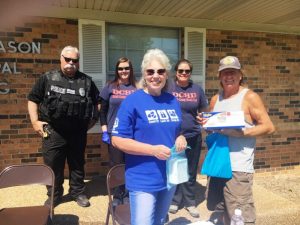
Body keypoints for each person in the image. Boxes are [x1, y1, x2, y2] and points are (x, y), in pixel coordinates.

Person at [111, 48, 187, 225]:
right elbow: (117, 139)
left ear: (166, 75)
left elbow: (176, 131)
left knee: (159, 221)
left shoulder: (172, 100)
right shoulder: (132, 101)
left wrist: (180, 138)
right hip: (143, 178)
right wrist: (153, 150)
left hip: (169, 176)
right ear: (144, 74)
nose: (155, 76)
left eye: (160, 71)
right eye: (150, 71)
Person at [198, 56, 275, 225]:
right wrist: (206, 123)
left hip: (238, 167)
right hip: (218, 164)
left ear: (240, 75)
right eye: (224, 73)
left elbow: (269, 127)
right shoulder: (215, 99)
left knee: (241, 216)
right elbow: (215, 128)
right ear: (219, 76)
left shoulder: (249, 97)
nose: (228, 76)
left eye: (232, 72)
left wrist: (244, 133)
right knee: (222, 210)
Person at [27, 46, 100, 208]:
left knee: (77, 164)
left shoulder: (86, 81)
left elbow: (98, 102)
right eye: (68, 59)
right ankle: (54, 195)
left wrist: (93, 120)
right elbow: (33, 99)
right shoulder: (47, 78)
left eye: (75, 60)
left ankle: (78, 192)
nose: (71, 63)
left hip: (78, 132)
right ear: (61, 58)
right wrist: (35, 122)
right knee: (53, 165)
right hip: (53, 131)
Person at [167, 59, 208, 218]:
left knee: (190, 171)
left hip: (193, 136)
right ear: (176, 72)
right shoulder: (169, 88)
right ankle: (175, 200)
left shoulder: (197, 89)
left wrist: (203, 117)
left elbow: (204, 110)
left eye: (187, 71)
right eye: (180, 71)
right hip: (173, 137)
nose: (184, 74)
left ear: (190, 73)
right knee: (174, 169)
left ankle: (190, 202)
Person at [99, 57, 137, 204]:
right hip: (113, 134)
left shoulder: (137, 88)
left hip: (132, 134)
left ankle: (128, 194)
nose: (124, 71)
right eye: (121, 68)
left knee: (131, 164)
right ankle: (117, 194)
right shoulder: (110, 87)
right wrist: (104, 131)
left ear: (131, 70)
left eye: (126, 68)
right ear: (117, 71)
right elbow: (102, 111)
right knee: (116, 165)